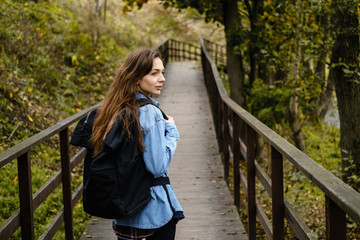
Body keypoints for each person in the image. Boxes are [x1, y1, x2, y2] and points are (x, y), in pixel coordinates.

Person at [90, 48, 184, 240]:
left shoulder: (116, 107)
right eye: (154, 73)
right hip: (154, 212)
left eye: (162, 72)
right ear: (136, 77)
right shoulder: (151, 113)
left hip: (124, 211)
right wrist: (172, 132)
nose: (162, 79)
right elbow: (157, 167)